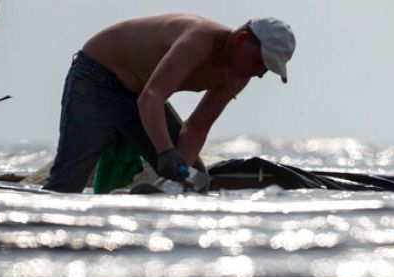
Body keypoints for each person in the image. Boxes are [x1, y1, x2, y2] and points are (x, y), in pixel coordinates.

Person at [45, 14, 296, 193]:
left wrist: (177, 176)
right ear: (241, 39)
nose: (261, 73)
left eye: (267, 68)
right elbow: (152, 98)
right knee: (66, 183)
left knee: (194, 184)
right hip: (97, 78)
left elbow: (198, 125)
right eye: (260, 62)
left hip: (140, 95)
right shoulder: (198, 42)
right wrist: (165, 152)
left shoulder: (241, 74)